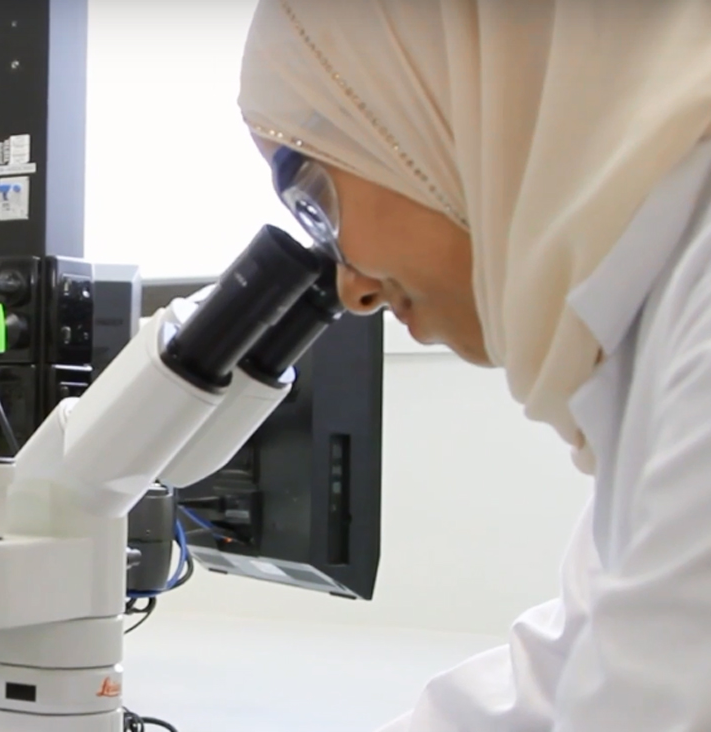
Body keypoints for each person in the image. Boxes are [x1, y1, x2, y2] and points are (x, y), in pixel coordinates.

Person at [239, 0, 711, 729]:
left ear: (439, 100)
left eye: (315, 201)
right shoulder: (647, 327)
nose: (351, 289)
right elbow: (560, 673)